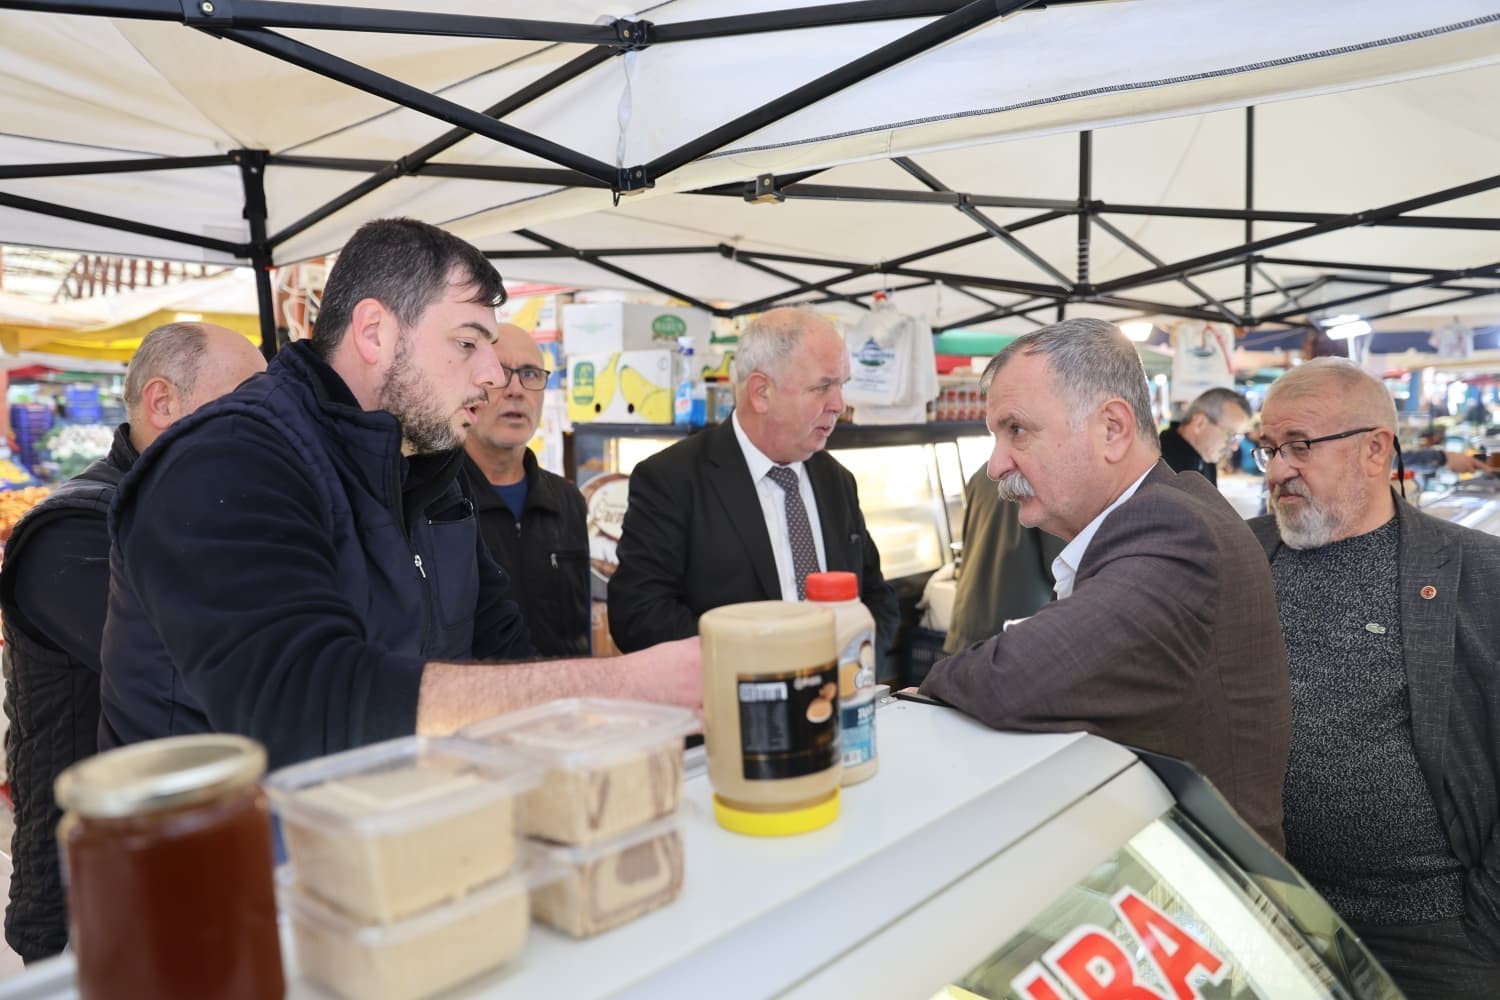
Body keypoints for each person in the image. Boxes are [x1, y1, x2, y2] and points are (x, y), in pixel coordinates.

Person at [101, 218, 699, 771]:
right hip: (239, 872)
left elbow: (501, 656)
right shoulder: (227, 459)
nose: (493, 375)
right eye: (468, 343)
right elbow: (305, 706)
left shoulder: (431, 475)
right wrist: (627, 686)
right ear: (374, 333)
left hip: (404, 843)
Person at [919, 318, 1290, 850]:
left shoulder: (1172, 526)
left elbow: (1020, 677)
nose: (998, 464)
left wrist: (933, 681)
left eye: (1016, 430)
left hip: (1200, 881)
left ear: (1112, 428)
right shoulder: (1163, 512)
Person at [0, 321, 265, 963]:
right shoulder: (72, 532)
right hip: (87, 896)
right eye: (247, 405)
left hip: (194, 863)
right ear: (162, 402)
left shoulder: (198, 514)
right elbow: (206, 668)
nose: (267, 430)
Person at [1249, 357, 1500, 998]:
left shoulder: (1480, 573)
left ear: (1374, 451)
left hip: (1437, 930)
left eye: (1299, 446)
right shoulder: (1240, 556)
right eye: (1268, 449)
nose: (1279, 469)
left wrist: (1487, 918)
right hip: (1273, 906)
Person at [608, 306, 898, 657]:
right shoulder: (672, 479)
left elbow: (877, 596)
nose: (839, 404)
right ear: (761, 392)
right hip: (726, 704)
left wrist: (856, 659)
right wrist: (764, 662)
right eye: (822, 387)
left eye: (841, 385)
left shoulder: (836, 480)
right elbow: (639, 615)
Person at [462, 324, 589, 656]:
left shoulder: (567, 501)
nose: (516, 390)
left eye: (530, 374)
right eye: (500, 373)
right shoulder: (437, 504)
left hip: (564, 702)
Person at [941, 466, 1063, 654]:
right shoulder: (1043, 473)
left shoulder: (981, 474)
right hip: (1017, 630)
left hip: (967, 625)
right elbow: (1061, 566)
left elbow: (967, 540)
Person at [1158, 386, 1252, 485]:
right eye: (1230, 435)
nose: (1234, 447)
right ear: (1200, 423)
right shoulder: (1160, 464)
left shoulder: (1205, 457)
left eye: (1238, 437)